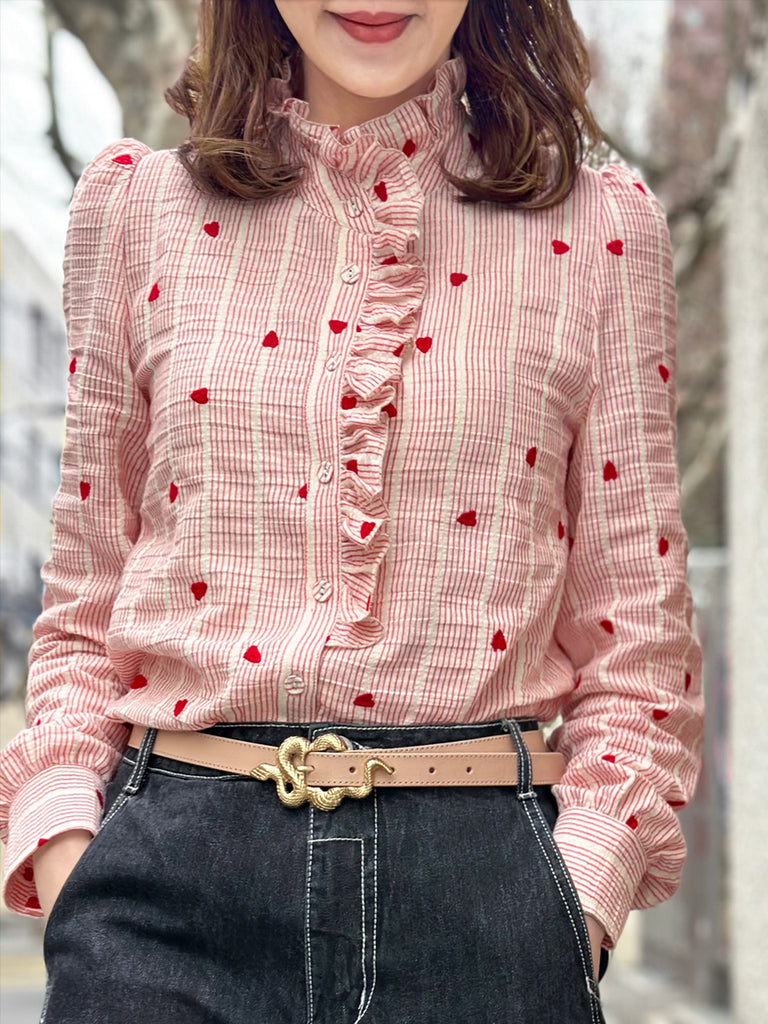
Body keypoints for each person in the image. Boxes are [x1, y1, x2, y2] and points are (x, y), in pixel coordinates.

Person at [0, 1, 704, 1021]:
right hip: (163, 904)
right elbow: (83, 605)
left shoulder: (597, 234)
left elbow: (638, 637)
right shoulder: (137, 215)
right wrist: (76, 870)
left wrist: (575, 901)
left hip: (485, 901)